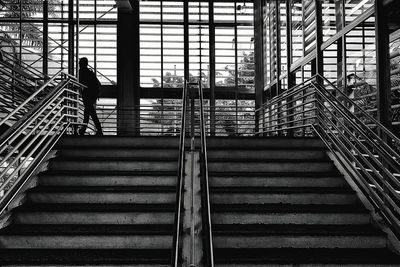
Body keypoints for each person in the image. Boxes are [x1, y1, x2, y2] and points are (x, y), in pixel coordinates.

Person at [78, 57, 103, 135]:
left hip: (87, 94)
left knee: (89, 112)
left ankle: (85, 130)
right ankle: (96, 130)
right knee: (89, 112)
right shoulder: (90, 72)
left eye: (80, 63)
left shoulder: (82, 71)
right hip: (93, 94)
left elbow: (81, 82)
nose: (79, 64)